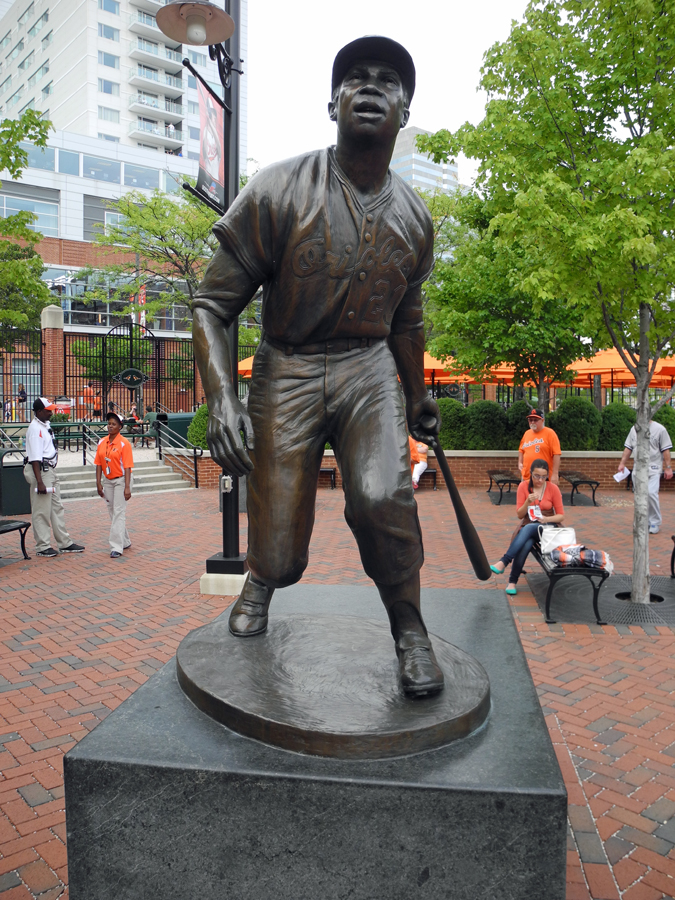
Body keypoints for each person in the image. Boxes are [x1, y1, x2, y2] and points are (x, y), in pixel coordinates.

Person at [192, 36, 444, 697]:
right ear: (332, 104)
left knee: (382, 498)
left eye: (388, 80)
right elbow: (210, 305)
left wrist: (417, 394)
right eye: (356, 77)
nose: (371, 86)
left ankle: (409, 630)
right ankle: (260, 580)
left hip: (367, 367)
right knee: (281, 549)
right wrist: (222, 399)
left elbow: (407, 320)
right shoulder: (278, 189)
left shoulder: (415, 218)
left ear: (405, 111)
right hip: (288, 366)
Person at [490, 458, 564, 595]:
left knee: (527, 529)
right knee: (527, 542)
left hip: (548, 528)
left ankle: (504, 561)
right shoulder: (523, 487)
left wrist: (546, 519)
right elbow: (520, 515)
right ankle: (512, 582)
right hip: (529, 524)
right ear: (530, 473)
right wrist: (527, 502)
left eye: (544, 477)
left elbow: (561, 516)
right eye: (537, 476)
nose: (540, 480)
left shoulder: (553, 488)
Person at [23, 397, 85, 558]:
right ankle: (42, 545)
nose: (51, 413)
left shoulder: (44, 425)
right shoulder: (35, 429)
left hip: (48, 469)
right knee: (41, 510)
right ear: (39, 412)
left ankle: (64, 542)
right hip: (41, 471)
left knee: (56, 507)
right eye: (48, 410)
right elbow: (35, 458)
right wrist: (40, 482)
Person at [618, 420, 673, 534]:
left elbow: (666, 449)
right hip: (638, 470)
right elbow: (628, 448)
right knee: (640, 497)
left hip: (653, 469)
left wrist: (668, 467)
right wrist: (622, 463)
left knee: (651, 493)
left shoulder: (660, 429)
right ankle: (644, 521)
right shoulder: (634, 429)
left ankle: (655, 522)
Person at [95, 411, 134, 558]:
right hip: (108, 480)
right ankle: (125, 540)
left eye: (114, 424)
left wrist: (127, 487)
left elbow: (128, 466)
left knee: (119, 511)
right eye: (109, 423)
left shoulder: (124, 443)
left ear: (120, 427)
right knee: (112, 510)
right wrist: (98, 483)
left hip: (121, 479)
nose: (110, 426)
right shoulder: (102, 442)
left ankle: (116, 546)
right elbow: (98, 463)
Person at [519, 408, 561, 484]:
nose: (532, 422)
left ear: (542, 420)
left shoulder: (550, 433)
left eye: (535, 420)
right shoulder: (527, 433)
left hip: (543, 478)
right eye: (530, 420)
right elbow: (521, 450)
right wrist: (520, 463)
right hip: (527, 476)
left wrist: (555, 474)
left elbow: (557, 454)